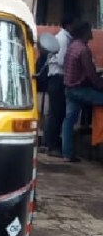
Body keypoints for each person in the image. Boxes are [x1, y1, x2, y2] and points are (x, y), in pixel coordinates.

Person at [61, 21, 103, 162]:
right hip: (80, 89)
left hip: (69, 88)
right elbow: (91, 75)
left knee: (69, 121)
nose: (92, 32)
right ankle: (98, 138)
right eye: (90, 30)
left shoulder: (72, 46)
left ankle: (67, 153)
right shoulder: (84, 50)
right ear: (85, 32)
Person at [44, 15, 77, 156]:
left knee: (54, 113)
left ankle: (50, 143)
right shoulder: (63, 39)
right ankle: (53, 146)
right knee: (57, 113)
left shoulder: (63, 38)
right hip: (58, 78)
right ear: (69, 25)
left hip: (55, 78)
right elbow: (63, 61)